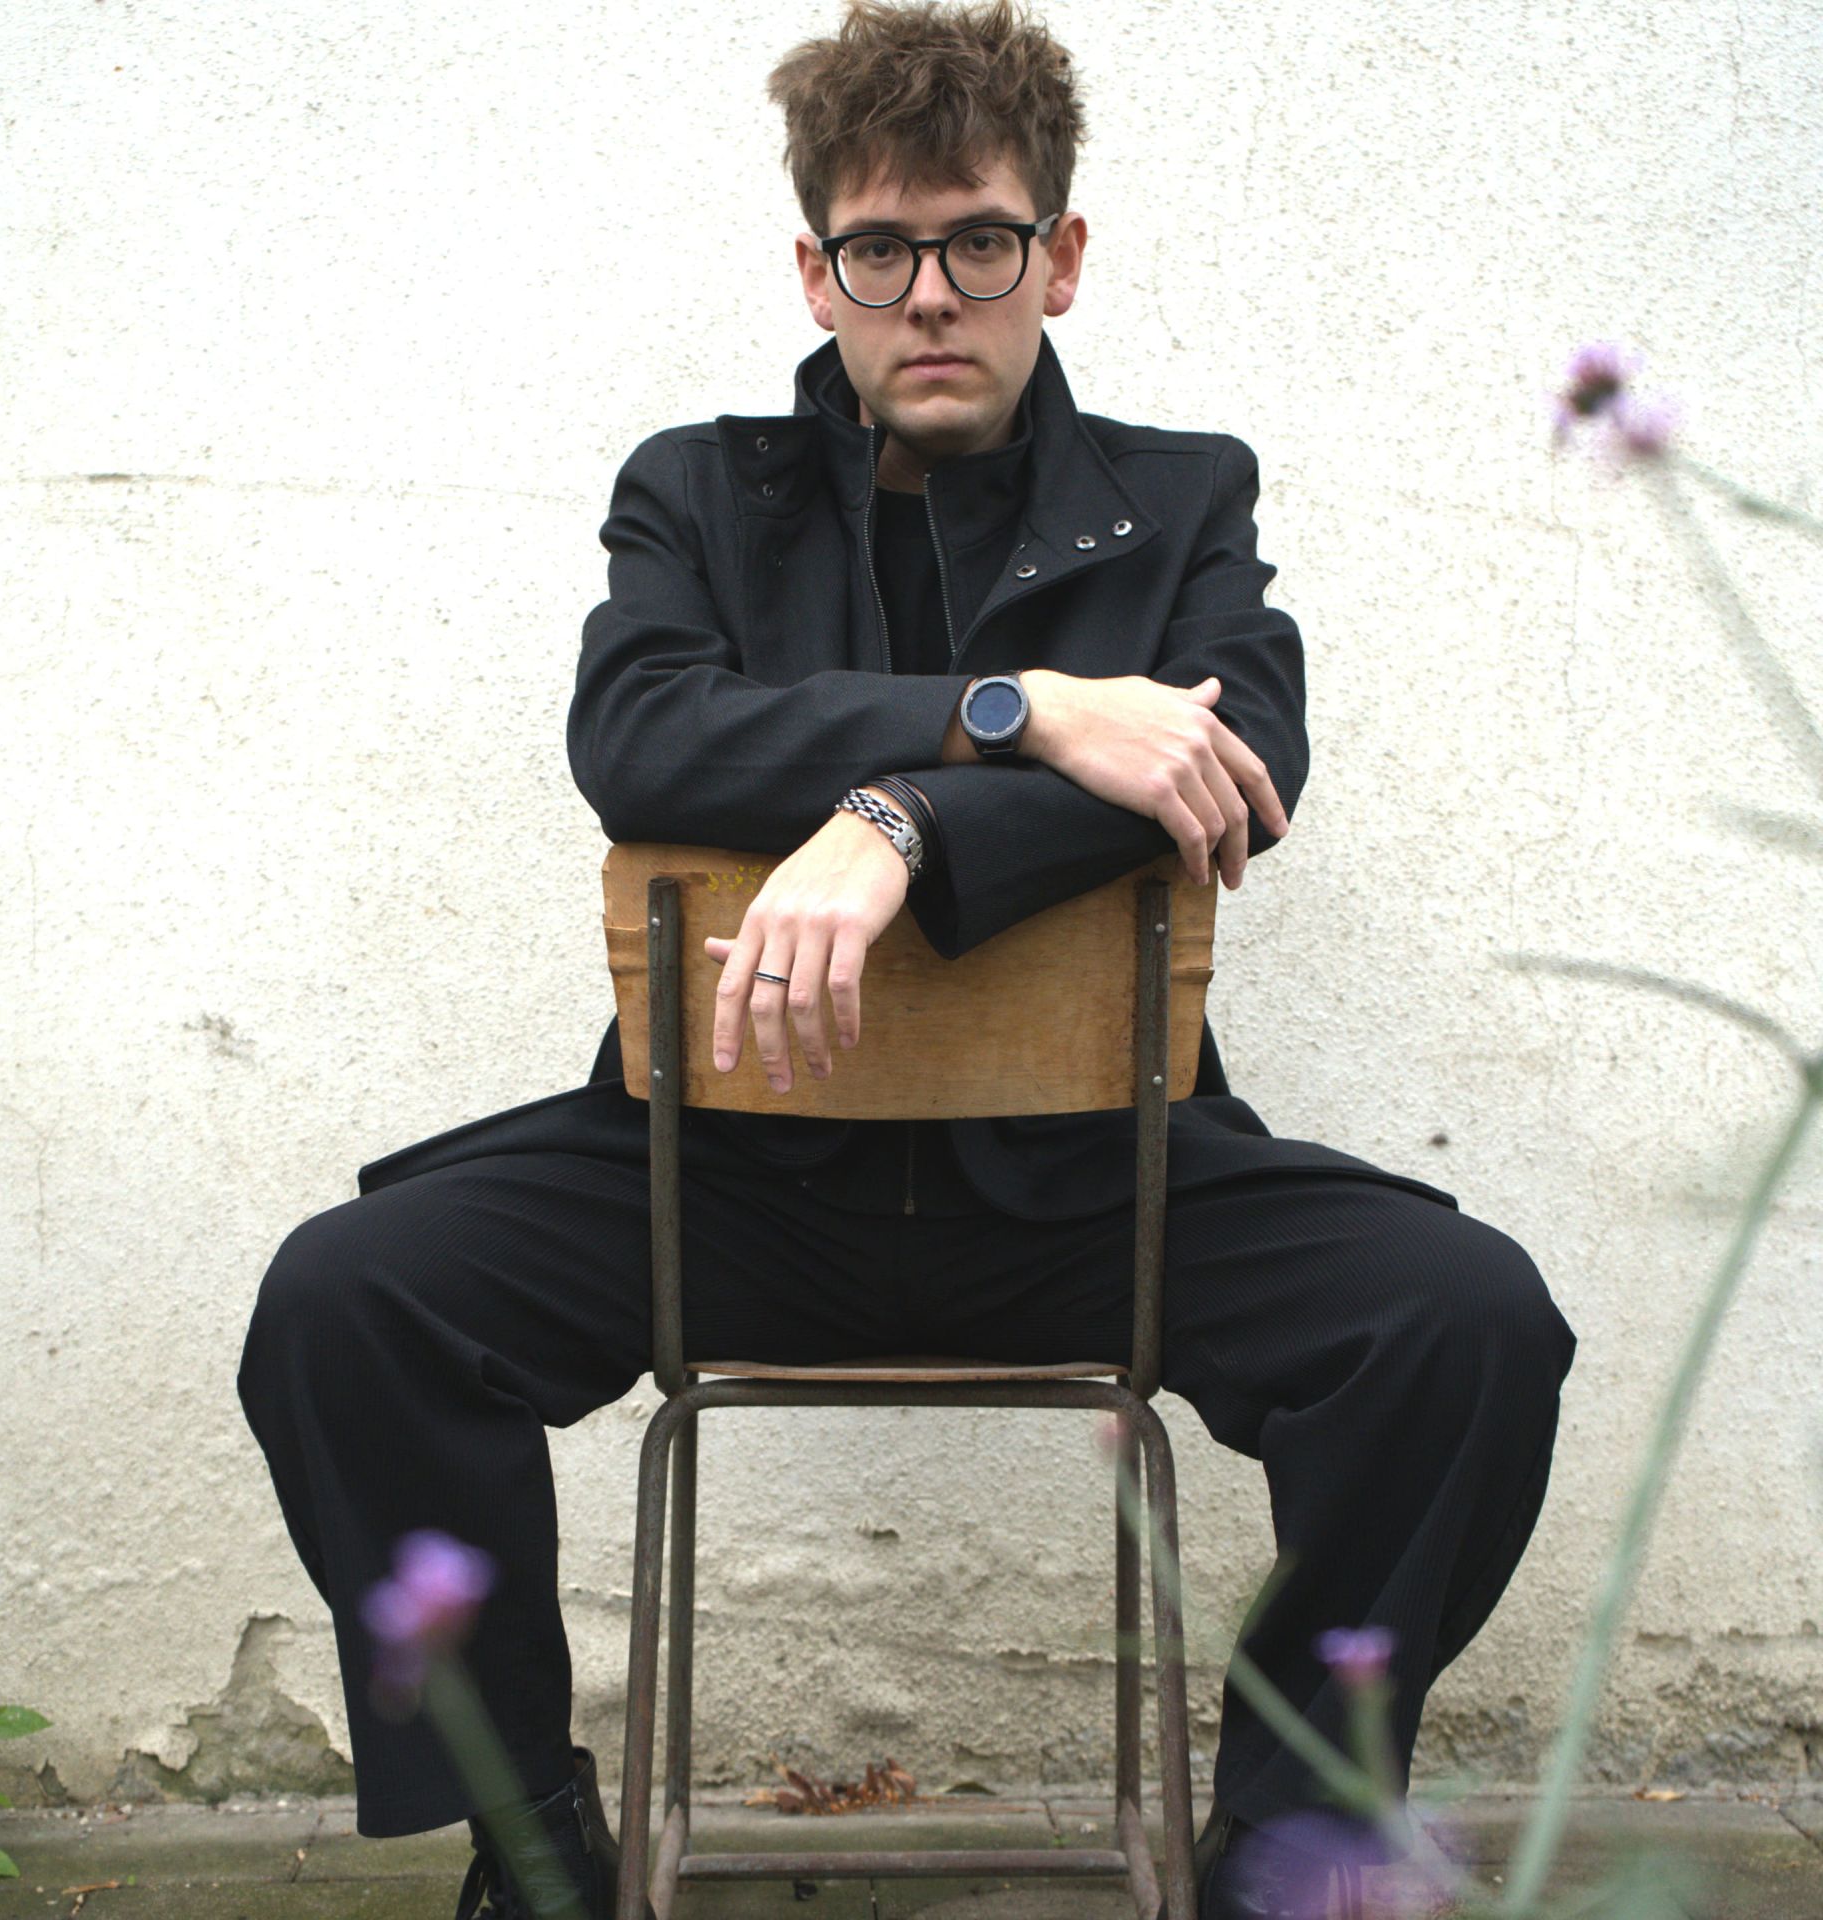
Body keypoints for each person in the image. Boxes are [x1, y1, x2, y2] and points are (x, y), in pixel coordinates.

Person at [236, 3, 1578, 1915]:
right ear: (818, 272)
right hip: (723, 1183)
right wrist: (1029, 712)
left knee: (1466, 1323)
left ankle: (1288, 1827)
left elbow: (1238, 764)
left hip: (1096, 1189)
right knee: (346, 1302)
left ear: (1061, 257)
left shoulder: (1184, 495)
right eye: (879, 248)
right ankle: (529, 1842)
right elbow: (640, 734)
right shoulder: (699, 492)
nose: (930, 293)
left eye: (981, 242)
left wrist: (901, 826)